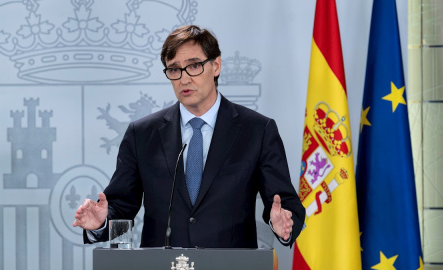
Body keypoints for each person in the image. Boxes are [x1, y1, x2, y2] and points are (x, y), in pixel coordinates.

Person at [73, 25, 305, 248]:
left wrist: (282, 222)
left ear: (216, 66)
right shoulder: (142, 134)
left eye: (194, 66)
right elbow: (121, 206)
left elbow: (285, 204)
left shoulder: (257, 130)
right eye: (174, 69)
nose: (184, 79)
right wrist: (100, 223)